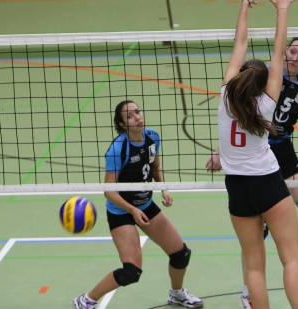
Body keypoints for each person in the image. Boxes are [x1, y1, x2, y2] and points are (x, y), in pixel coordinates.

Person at [207, 36, 298, 306]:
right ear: (286, 50)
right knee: (256, 234)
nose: (295, 57)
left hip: (283, 154)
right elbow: (236, 112)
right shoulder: (262, 75)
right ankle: (248, 293)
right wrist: (220, 152)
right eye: (293, 51)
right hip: (255, 158)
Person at [216, 0, 298, 309]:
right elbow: (279, 51)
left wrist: (245, 3)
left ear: (240, 77)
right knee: (291, 259)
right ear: (263, 81)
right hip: (267, 182)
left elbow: (239, 43)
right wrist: (282, 9)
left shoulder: (226, 95)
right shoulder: (269, 100)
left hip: (237, 188)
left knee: (254, 266)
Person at [72, 100, 203, 309]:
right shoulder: (118, 149)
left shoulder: (152, 137)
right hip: (121, 211)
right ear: (122, 124)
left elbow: (155, 166)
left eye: (138, 112)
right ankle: (86, 300)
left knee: (181, 255)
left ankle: (177, 294)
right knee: (131, 272)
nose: (137, 117)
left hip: (145, 204)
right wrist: (132, 210)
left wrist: (163, 188)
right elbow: (108, 191)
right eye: (130, 116)